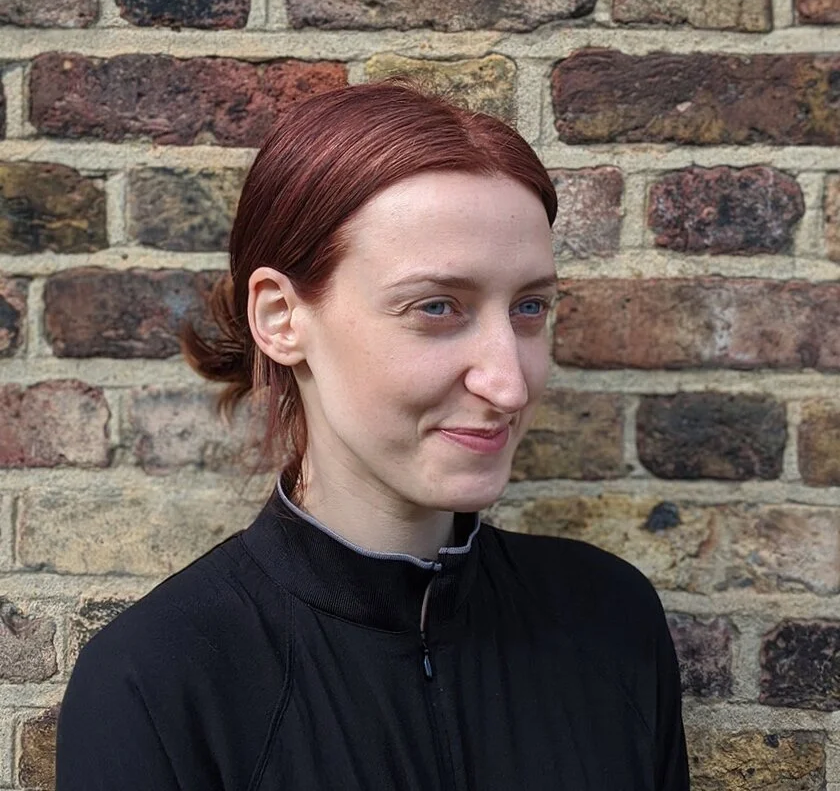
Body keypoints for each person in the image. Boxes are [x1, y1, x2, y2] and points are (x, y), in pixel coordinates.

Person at [56, 81, 690, 790]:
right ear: (281, 319)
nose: (510, 385)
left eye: (530, 307)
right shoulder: (156, 683)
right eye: (437, 307)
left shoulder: (608, 620)